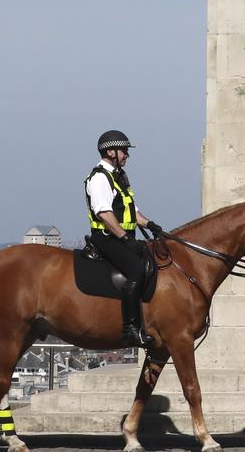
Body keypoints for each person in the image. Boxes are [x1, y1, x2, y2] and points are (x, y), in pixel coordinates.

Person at [85, 130, 163, 348]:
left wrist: (151, 225)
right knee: (137, 269)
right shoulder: (100, 178)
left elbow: (131, 211)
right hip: (107, 238)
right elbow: (104, 214)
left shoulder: (118, 176)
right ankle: (130, 329)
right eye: (124, 150)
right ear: (111, 151)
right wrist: (125, 239)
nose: (127, 154)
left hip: (123, 237)